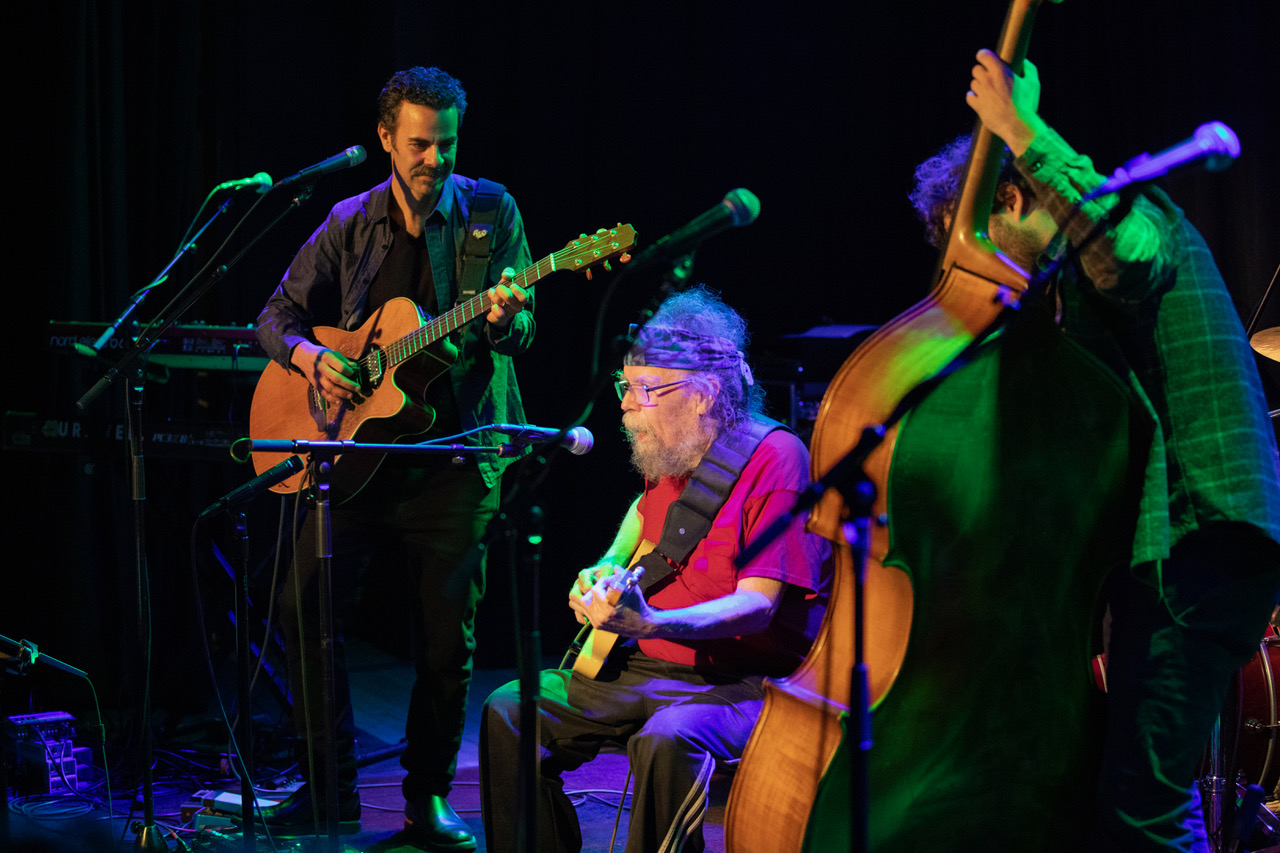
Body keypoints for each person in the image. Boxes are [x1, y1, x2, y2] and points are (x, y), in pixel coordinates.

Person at [907, 49, 1280, 851]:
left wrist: (1022, 129)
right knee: (1130, 805)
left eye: (975, 248)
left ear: (1009, 197)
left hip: (1197, 541)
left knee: (1142, 817)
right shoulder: (1066, 298)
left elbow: (1124, 258)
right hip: (1173, 554)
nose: (987, 279)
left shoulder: (1134, 218)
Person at [253, 65, 533, 849]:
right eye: (419, 143)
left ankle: (427, 799)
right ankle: (328, 788)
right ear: (385, 138)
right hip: (355, 455)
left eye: (446, 143)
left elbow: (522, 330)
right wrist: (311, 358)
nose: (434, 160)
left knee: (447, 640)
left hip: (453, 456)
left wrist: (508, 315)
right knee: (300, 606)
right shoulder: (349, 219)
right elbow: (272, 316)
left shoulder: (491, 212)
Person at [478, 286, 831, 852]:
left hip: (740, 682)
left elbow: (759, 605)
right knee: (510, 710)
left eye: (643, 389)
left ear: (703, 393)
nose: (624, 404)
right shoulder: (673, 450)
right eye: (626, 387)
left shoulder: (777, 458)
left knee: (666, 741)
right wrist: (605, 570)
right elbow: (646, 521)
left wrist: (650, 625)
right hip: (645, 667)